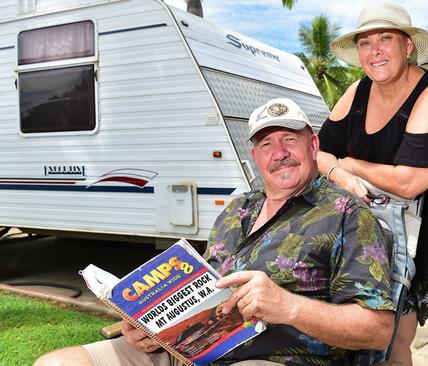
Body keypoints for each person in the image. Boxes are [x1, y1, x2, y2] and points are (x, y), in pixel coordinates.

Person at [35, 98, 395, 366]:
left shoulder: (345, 212)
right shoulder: (236, 210)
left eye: (290, 140)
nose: (280, 153)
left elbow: (377, 330)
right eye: (267, 145)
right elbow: (200, 292)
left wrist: (289, 307)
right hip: (190, 348)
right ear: (255, 157)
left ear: (313, 146)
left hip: (275, 358)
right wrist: (150, 327)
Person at [317, 4, 428, 366]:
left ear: (407, 46)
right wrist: (337, 172)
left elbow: (411, 180)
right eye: (366, 43)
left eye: (386, 39)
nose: (376, 50)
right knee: (394, 336)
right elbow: (319, 151)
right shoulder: (358, 92)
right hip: (389, 233)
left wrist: (350, 163)